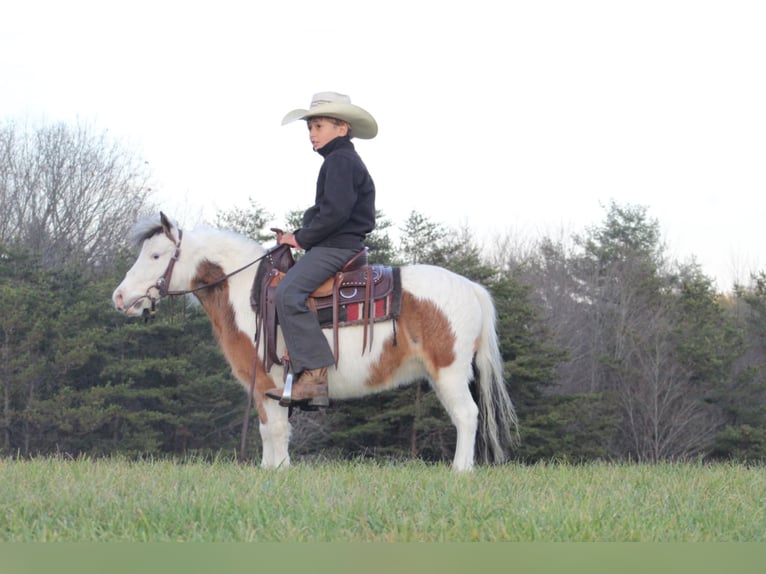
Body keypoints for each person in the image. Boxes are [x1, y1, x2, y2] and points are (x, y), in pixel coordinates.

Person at [265, 92, 378, 408]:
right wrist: (299, 234)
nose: (312, 134)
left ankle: (314, 376)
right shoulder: (340, 160)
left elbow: (335, 214)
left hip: (336, 246)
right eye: (310, 128)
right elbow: (329, 211)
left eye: (318, 126)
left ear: (341, 128)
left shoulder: (340, 161)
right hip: (334, 242)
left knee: (287, 293)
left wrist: (301, 239)